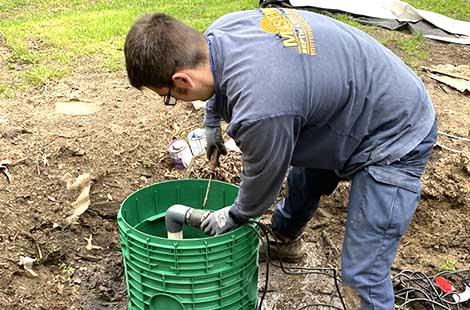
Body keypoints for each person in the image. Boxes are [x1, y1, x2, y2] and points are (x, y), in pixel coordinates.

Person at [124, 8, 436, 309]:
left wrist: (233, 216)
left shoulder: (262, 108)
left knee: (363, 275)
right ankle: (285, 240)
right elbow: (218, 82)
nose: (172, 101)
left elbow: (263, 179)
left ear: (182, 81)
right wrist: (211, 123)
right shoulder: (220, 34)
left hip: (396, 133)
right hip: (349, 100)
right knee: (305, 176)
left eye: (168, 97)